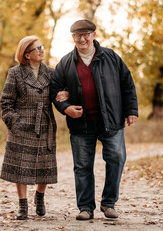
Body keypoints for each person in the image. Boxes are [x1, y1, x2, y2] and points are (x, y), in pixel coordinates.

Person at [50, 19, 138, 220]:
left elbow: (127, 84)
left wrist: (131, 110)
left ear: (94, 35)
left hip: (111, 120)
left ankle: (108, 204)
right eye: (78, 35)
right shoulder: (65, 63)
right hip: (81, 123)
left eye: (86, 34)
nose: (82, 39)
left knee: (116, 159)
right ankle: (85, 208)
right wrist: (66, 108)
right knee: (82, 166)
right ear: (73, 38)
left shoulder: (111, 57)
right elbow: (55, 90)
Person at [0, 35, 68, 220]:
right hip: (22, 124)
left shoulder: (51, 73)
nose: (41, 50)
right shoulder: (15, 73)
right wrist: (15, 123)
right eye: (36, 49)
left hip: (45, 123)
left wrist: (65, 93)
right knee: (21, 166)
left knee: (45, 165)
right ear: (27, 55)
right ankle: (23, 205)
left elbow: (59, 94)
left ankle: (40, 197)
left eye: (41, 47)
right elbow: (6, 102)